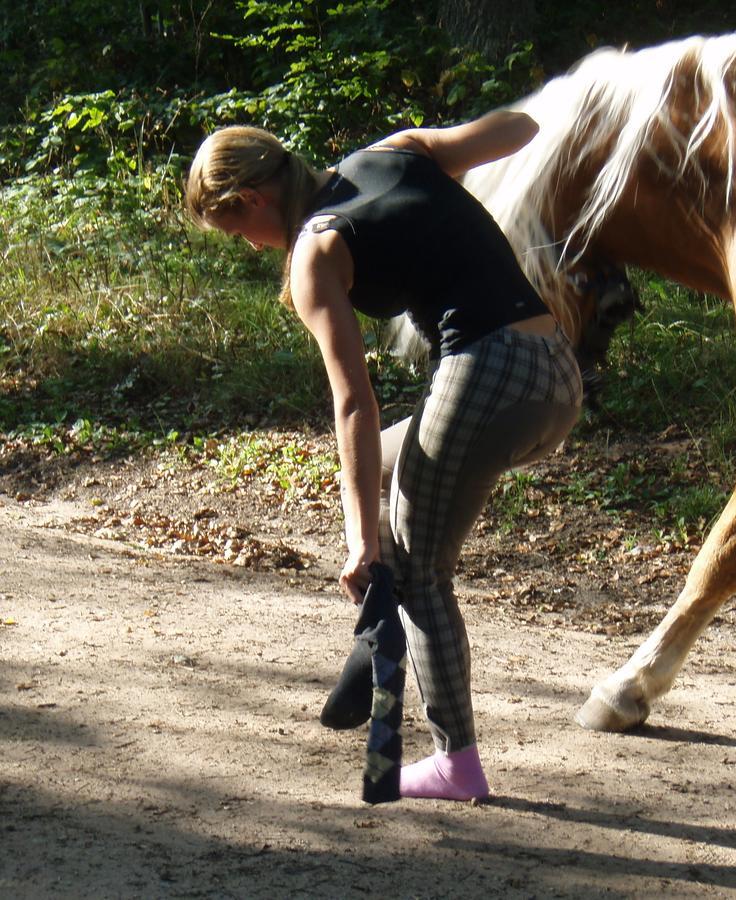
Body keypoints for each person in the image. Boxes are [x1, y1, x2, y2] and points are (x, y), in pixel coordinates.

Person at [185, 112, 583, 801]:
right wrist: (437, 181)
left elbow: (353, 406)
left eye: (237, 231)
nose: (250, 247)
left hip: (487, 375)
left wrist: (358, 541)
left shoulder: (316, 251)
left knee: (419, 569)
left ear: (251, 201)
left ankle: (456, 763)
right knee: (395, 462)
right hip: (557, 374)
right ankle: (374, 643)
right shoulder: (393, 152)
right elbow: (521, 127)